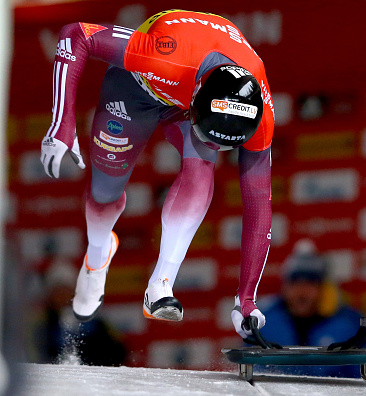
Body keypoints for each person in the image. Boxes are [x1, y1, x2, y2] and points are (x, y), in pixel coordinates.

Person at [40, 10, 274, 339]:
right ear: (195, 100)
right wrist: (62, 124)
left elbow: (259, 204)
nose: (213, 145)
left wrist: (245, 300)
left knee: (201, 172)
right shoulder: (162, 54)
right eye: (209, 135)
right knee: (105, 193)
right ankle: (97, 256)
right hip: (137, 87)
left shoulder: (260, 112)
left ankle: (160, 285)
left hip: (189, 96)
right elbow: (76, 34)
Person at [258, 239, 366, 378]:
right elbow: (251, 374)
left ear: (324, 288)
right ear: (285, 287)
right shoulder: (264, 323)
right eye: (295, 282)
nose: (302, 291)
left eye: (310, 282)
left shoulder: (350, 325)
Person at [32, 260, 127, 366]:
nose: (62, 296)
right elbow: (32, 355)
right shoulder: (40, 323)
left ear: (74, 291)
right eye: (57, 291)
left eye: (66, 290)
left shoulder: (94, 319)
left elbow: (118, 353)